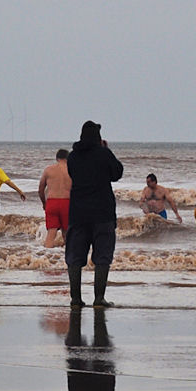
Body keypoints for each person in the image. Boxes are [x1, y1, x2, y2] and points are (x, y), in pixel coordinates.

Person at [65, 121, 123, 308]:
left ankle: (76, 299)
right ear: (98, 138)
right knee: (103, 256)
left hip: (78, 213)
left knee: (75, 256)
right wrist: (106, 150)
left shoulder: (73, 157)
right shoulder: (103, 153)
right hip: (102, 213)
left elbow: (73, 174)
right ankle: (99, 298)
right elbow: (117, 173)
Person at [38, 149, 72, 248]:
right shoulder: (72, 169)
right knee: (67, 233)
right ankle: (66, 259)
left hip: (52, 202)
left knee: (51, 233)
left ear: (57, 158)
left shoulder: (48, 170)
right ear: (68, 158)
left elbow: (40, 189)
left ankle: (47, 259)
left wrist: (44, 203)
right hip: (67, 202)